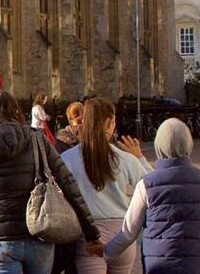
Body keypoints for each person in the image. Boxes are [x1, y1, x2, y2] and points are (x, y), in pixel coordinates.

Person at [0, 87, 100, 274]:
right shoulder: (37, 139)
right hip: (40, 233)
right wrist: (90, 231)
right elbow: (68, 184)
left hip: (1, 242)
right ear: (15, 110)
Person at [103, 119, 200, 274]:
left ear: (158, 145)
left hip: (160, 266)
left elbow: (128, 232)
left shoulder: (147, 184)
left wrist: (105, 252)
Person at [61, 99, 152, 274]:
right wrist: (139, 157)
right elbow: (154, 186)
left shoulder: (67, 158)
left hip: (89, 235)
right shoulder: (125, 159)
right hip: (122, 235)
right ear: (111, 122)